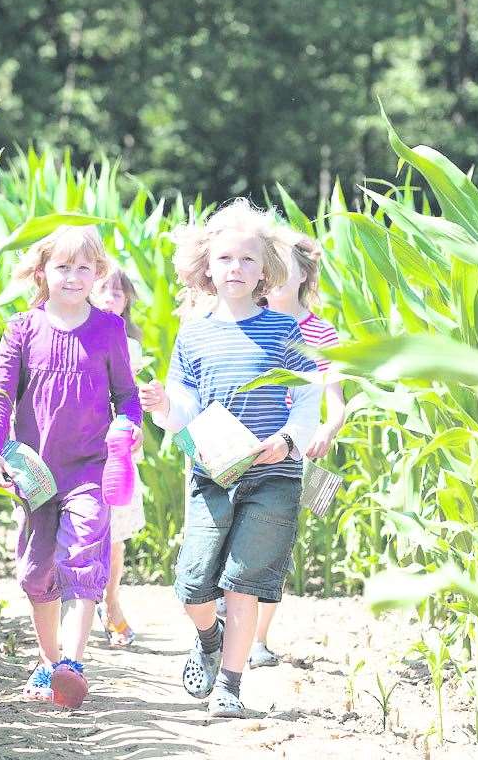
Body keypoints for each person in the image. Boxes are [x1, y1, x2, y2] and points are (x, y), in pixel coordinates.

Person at [138, 199, 321, 718]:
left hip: (274, 474)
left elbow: (308, 397)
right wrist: (165, 406)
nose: (235, 269)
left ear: (266, 269)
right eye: (225, 259)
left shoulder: (287, 331)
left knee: (243, 582)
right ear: (206, 268)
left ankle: (232, 688)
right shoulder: (194, 334)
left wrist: (286, 441)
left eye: (246, 260)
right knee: (194, 584)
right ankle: (208, 635)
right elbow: (187, 404)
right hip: (213, 475)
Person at [0, 226, 141, 710]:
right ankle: (49, 664)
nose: (73, 276)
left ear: (97, 274)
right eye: (62, 267)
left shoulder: (109, 330)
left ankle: (72, 663)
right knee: (36, 574)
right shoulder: (22, 329)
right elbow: (0, 392)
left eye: (84, 268)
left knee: (85, 555)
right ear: (42, 272)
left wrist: (125, 429)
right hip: (36, 473)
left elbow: (127, 399)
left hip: (89, 468)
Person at [244, 228, 344, 668]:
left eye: (289, 263)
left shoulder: (321, 332)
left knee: (272, 541)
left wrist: (326, 428)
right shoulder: (248, 319)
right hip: (244, 446)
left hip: (293, 452)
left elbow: (337, 402)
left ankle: (258, 639)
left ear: (305, 273)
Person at [89, 266, 147, 648]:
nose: (111, 297)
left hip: (118, 449)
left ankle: (111, 606)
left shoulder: (132, 344)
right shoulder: (76, 334)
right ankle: (77, 607)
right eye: (104, 290)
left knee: (115, 537)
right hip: (81, 445)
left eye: (119, 293)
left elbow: (130, 396)